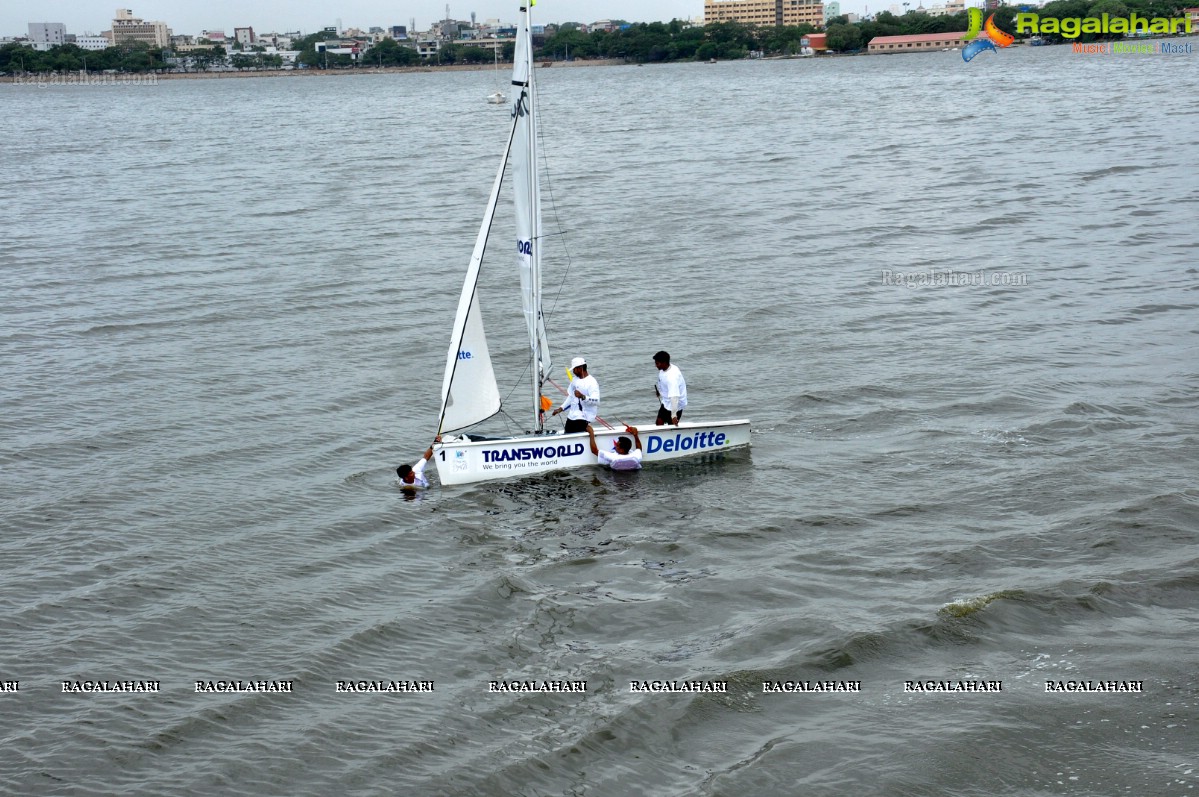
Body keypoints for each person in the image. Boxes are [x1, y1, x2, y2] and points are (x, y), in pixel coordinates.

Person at [551, 356, 600, 434]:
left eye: (574, 369)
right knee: (567, 437)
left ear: (580, 368)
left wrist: (582, 396)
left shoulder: (592, 382)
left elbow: (596, 401)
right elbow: (571, 397)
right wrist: (560, 408)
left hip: (583, 418)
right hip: (571, 417)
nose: (573, 371)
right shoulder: (575, 380)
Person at [652, 350, 687, 426]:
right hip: (666, 401)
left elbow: (674, 397)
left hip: (676, 405)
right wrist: (660, 392)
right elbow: (662, 382)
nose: (656, 365)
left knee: (671, 426)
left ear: (664, 363)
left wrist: (674, 415)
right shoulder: (663, 369)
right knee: (659, 422)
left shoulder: (672, 377)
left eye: (657, 363)